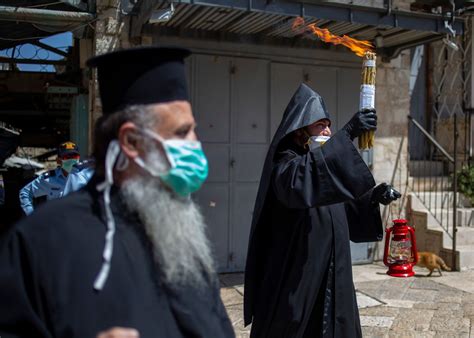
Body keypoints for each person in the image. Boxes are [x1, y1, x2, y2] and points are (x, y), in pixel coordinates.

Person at [0, 47, 234, 338]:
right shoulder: (42, 241)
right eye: (182, 132)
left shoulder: (181, 231)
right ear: (131, 141)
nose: (196, 143)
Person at [243, 83, 401, 338]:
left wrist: (373, 196)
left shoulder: (317, 167)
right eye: (320, 125)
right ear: (300, 129)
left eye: (329, 124)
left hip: (332, 269)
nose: (327, 130)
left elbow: (337, 200)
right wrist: (347, 133)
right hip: (299, 274)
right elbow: (301, 181)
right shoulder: (286, 163)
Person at [19, 141, 80, 215]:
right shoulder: (49, 179)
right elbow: (25, 193)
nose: (71, 160)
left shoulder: (87, 176)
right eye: (67, 157)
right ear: (58, 161)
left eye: (74, 157)